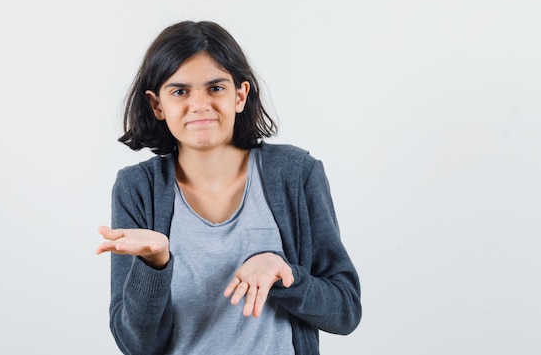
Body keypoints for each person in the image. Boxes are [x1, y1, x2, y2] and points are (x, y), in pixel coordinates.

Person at [96, 20, 361, 355]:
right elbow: (136, 344)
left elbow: (346, 310)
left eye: (215, 88)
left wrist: (283, 274)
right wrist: (154, 263)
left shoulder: (295, 173)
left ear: (240, 95)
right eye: (180, 91)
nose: (200, 104)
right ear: (157, 105)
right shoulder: (137, 188)